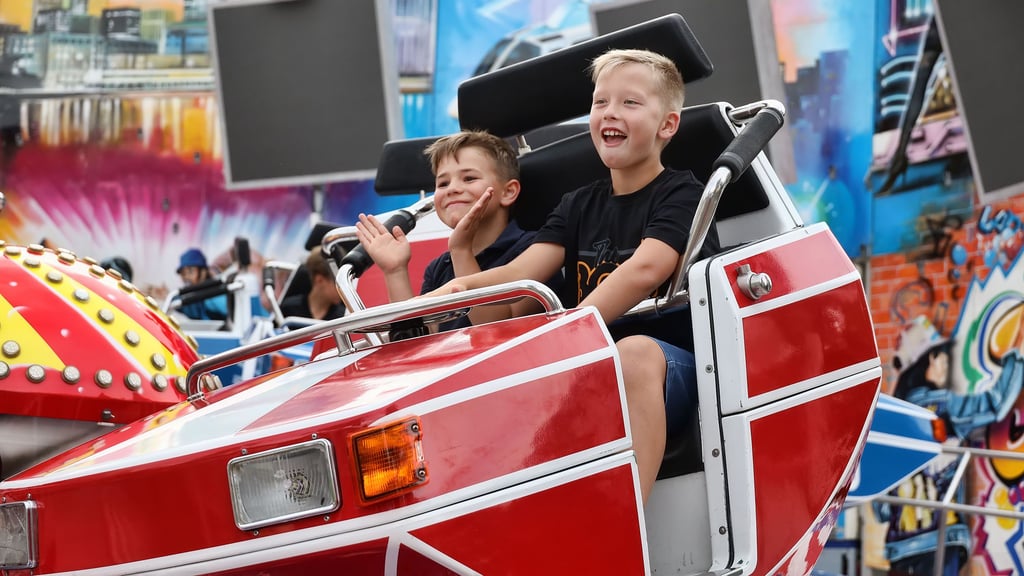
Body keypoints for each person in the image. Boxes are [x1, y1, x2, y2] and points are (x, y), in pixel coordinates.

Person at [426, 48, 720, 503]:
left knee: (633, 352)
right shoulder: (578, 204)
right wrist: (456, 288)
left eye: (629, 102)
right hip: (589, 364)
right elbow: (519, 273)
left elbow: (646, 269)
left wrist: (568, 334)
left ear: (667, 125)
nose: (610, 112)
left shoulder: (682, 193)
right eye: (601, 102)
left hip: (672, 371)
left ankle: (626, 520)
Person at [356, 129, 552, 331]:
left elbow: (497, 331)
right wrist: (395, 271)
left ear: (508, 192)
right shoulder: (440, 268)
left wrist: (461, 250)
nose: (452, 189)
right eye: (443, 183)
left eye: (469, 178)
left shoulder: (532, 250)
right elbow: (419, 340)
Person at [279, 248, 346, 321]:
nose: (343, 289)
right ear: (319, 280)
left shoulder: (343, 317)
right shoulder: (289, 309)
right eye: (337, 283)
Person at [176, 247, 228, 321]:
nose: (187, 277)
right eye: (183, 273)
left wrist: (174, 301)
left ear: (203, 272)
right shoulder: (199, 296)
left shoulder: (215, 295)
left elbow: (196, 309)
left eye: (190, 271)